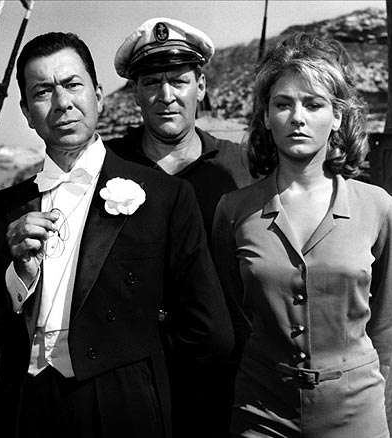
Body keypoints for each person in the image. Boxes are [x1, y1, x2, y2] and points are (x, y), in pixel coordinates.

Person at [0, 31, 234, 438]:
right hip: (21, 415)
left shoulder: (165, 197)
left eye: (72, 85)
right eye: (43, 91)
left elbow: (210, 333)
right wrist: (16, 278)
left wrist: (140, 376)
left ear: (98, 96)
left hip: (124, 414)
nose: (62, 103)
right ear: (27, 112)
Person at [212, 32, 392, 438]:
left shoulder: (378, 207)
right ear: (266, 117)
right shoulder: (234, 210)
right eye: (283, 104)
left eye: (313, 104)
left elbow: (385, 324)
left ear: (337, 117)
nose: (297, 117)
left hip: (355, 412)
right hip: (261, 409)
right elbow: (233, 314)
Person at [108, 17, 252, 437]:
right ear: (135, 92)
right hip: (130, 376)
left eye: (179, 81)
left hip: (224, 379)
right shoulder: (107, 166)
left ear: (201, 87)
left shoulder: (240, 167)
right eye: (151, 82)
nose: (166, 95)